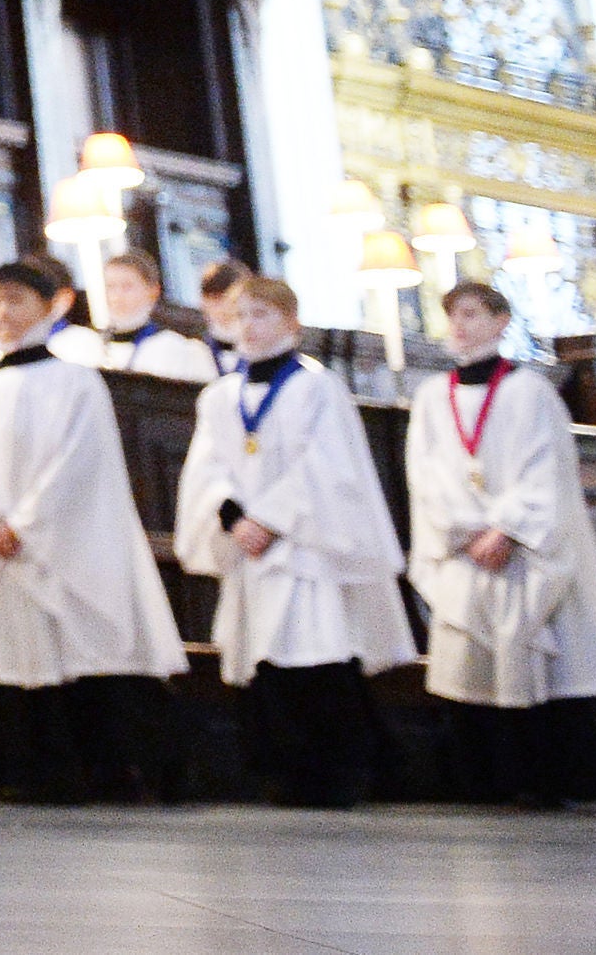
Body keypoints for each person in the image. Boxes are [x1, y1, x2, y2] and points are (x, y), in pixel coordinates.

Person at [172, 277, 414, 806]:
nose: (250, 327)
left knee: (316, 655)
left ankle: (341, 771)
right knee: (263, 660)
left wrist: (271, 519)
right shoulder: (220, 396)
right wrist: (233, 516)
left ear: (291, 323)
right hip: (250, 548)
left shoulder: (315, 386)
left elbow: (327, 465)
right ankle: (282, 770)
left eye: (262, 315)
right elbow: (206, 466)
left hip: (306, 547)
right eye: (241, 316)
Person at [0, 262, 188, 803]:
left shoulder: (77, 380)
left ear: (51, 305)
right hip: (4, 547)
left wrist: (24, 524)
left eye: (15, 300)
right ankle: (34, 770)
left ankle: (104, 771)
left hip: (66, 542)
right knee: (23, 656)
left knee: (85, 653)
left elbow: (77, 464)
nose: (2, 314)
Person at [406, 281, 596, 807]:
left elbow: (548, 469)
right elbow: (425, 475)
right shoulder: (430, 397)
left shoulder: (530, 392)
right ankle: (483, 779)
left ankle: (544, 777)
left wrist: (507, 529)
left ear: (500, 322)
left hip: (521, 549)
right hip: (466, 550)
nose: (460, 326)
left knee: (532, 659)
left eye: (472, 314)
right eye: (453, 316)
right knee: (473, 667)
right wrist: (466, 531)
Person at [67, 249, 218, 383]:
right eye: (110, 287)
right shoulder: (84, 346)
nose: (116, 297)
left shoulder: (177, 348)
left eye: (127, 287)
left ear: (153, 291)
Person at [197, 258, 255, 374]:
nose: (226, 308)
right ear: (203, 303)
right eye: (216, 299)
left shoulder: (264, 356)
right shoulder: (193, 353)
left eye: (234, 300)